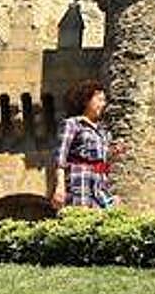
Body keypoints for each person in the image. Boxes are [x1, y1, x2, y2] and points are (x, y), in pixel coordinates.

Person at [50, 80, 117, 209]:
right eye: (99, 100)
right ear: (86, 100)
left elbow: (101, 163)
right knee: (80, 222)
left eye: (104, 101)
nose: (103, 105)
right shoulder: (72, 124)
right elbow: (60, 158)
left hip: (98, 186)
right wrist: (60, 187)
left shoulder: (103, 131)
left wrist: (113, 154)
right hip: (79, 183)